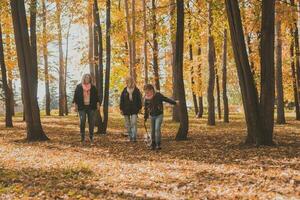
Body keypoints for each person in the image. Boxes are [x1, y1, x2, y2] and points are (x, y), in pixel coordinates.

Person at [143, 84, 178, 150]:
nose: (147, 93)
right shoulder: (146, 98)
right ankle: (153, 144)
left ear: (152, 90)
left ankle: (158, 144)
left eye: (148, 92)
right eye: (145, 92)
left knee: (157, 129)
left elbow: (166, 99)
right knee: (152, 131)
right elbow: (146, 108)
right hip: (152, 115)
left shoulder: (158, 95)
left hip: (159, 115)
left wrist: (174, 102)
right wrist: (145, 117)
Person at [73, 74, 99, 145]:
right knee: (82, 121)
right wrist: (75, 106)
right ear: (83, 78)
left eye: (88, 78)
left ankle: (91, 137)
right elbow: (75, 97)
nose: (87, 79)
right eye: (85, 78)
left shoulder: (93, 87)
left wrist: (98, 104)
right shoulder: (79, 87)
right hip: (82, 107)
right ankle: (82, 137)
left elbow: (97, 97)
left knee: (91, 122)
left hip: (91, 107)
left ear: (90, 79)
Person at [120, 77, 142, 142]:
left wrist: (140, 108)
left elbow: (139, 100)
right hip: (126, 109)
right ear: (127, 83)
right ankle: (130, 136)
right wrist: (121, 109)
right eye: (128, 82)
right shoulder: (124, 90)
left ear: (133, 82)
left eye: (131, 82)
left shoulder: (136, 90)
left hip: (134, 109)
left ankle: (134, 137)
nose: (129, 83)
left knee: (133, 123)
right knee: (127, 124)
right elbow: (122, 100)